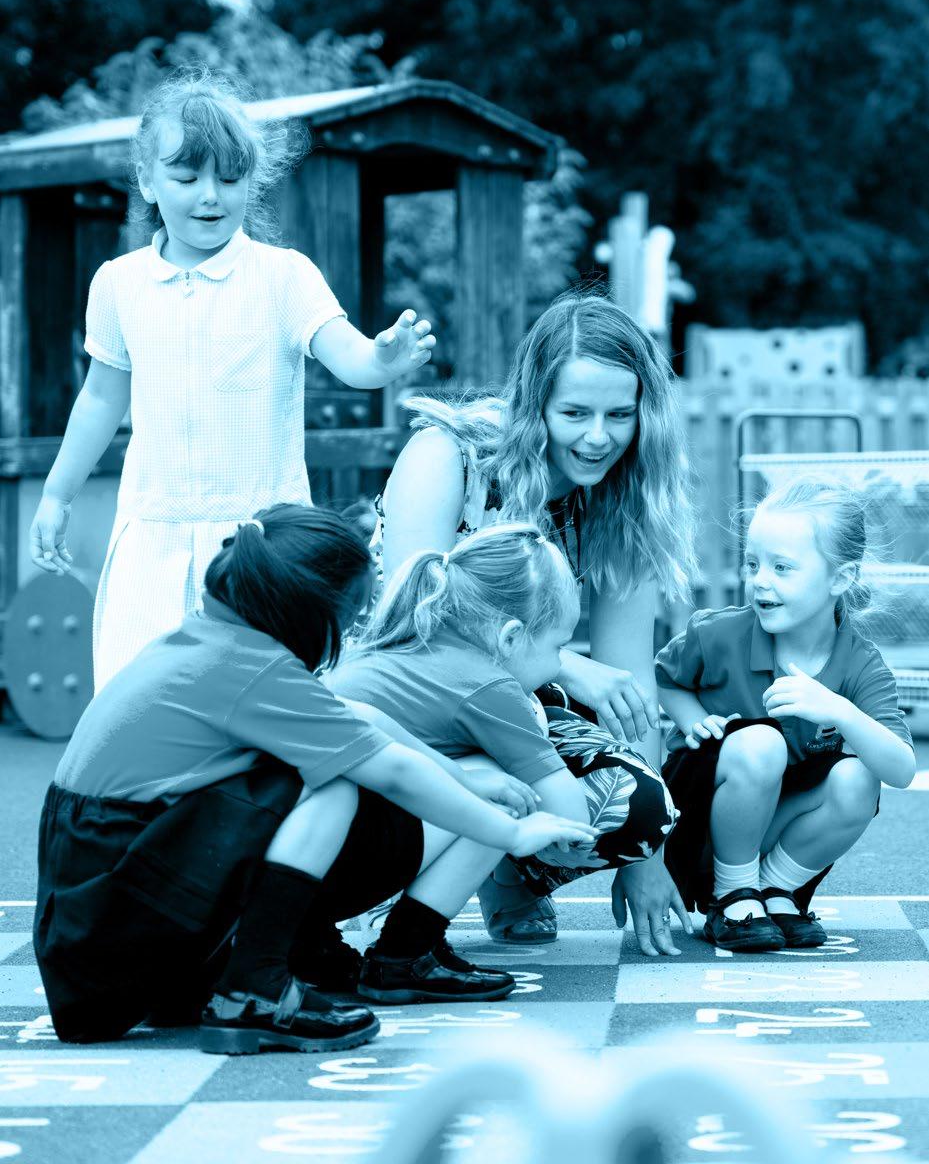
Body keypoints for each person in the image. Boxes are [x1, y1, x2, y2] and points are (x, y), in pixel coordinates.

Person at [34, 504, 596, 1055]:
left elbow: (360, 718)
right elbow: (394, 771)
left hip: (95, 918)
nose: (347, 632)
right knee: (332, 787)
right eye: (348, 616)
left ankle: (275, 959)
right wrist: (510, 832)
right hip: (119, 930)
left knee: (311, 769)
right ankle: (254, 991)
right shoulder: (254, 670)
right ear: (310, 609)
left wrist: (462, 779)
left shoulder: (206, 641)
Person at [29, 66, 436, 689]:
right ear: (148, 180)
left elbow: (351, 357)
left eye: (229, 177)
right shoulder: (119, 284)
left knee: (263, 699)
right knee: (139, 695)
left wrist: (384, 360)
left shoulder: (283, 277)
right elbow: (100, 398)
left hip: (262, 540)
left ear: (253, 178)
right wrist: (57, 495)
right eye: (187, 178)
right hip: (153, 535)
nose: (209, 196)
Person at [374, 289, 698, 955]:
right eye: (574, 413)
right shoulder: (447, 457)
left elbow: (628, 684)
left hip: (515, 698)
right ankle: (389, 899)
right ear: (535, 405)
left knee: (639, 805)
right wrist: (566, 665)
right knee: (494, 751)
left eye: (619, 414)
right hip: (404, 693)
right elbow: (412, 622)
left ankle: (508, 872)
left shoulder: (625, 500)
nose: (598, 437)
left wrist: (648, 855)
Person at [327, 523, 679, 911]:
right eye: (559, 647)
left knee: (479, 774)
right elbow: (571, 815)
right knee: (502, 794)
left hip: (302, 854)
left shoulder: (416, 642)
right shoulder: (488, 685)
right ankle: (412, 938)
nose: (559, 665)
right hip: (347, 867)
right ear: (510, 637)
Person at [657, 477, 916, 952]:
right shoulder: (719, 634)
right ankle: (732, 894)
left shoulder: (860, 662)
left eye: (782, 567)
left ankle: (775, 890)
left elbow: (901, 770)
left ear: (840, 578)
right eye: (753, 563)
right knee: (762, 742)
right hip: (695, 829)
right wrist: (693, 719)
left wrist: (841, 711)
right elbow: (666, 679)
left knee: (859, 776)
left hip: (773, 834)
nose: (760, 580)